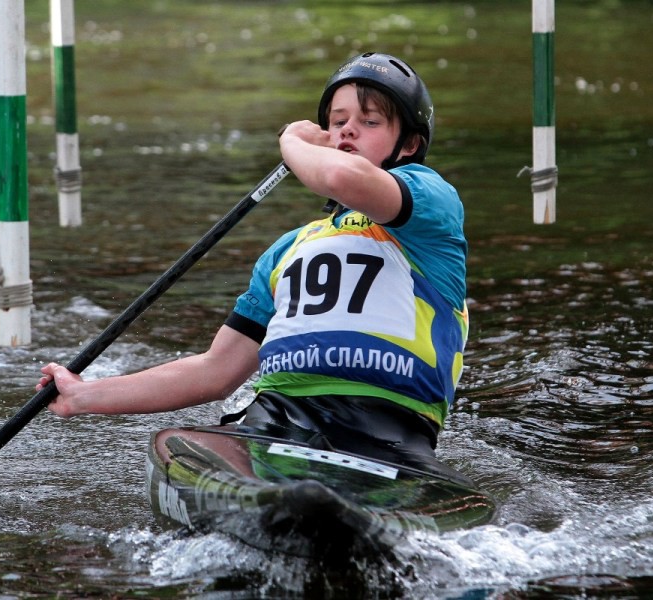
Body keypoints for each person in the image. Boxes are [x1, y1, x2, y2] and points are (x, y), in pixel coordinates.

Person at [37, 52, 469, 476]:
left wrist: (292, 141)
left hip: (392, 434)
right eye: (338, 122)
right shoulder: (288, 250)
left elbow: (340, 177)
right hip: (276, 421)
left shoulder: (430, 205)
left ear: (409, 144)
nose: (348, 130)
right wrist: (83, 396)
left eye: (370, 122)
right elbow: (216, 372)